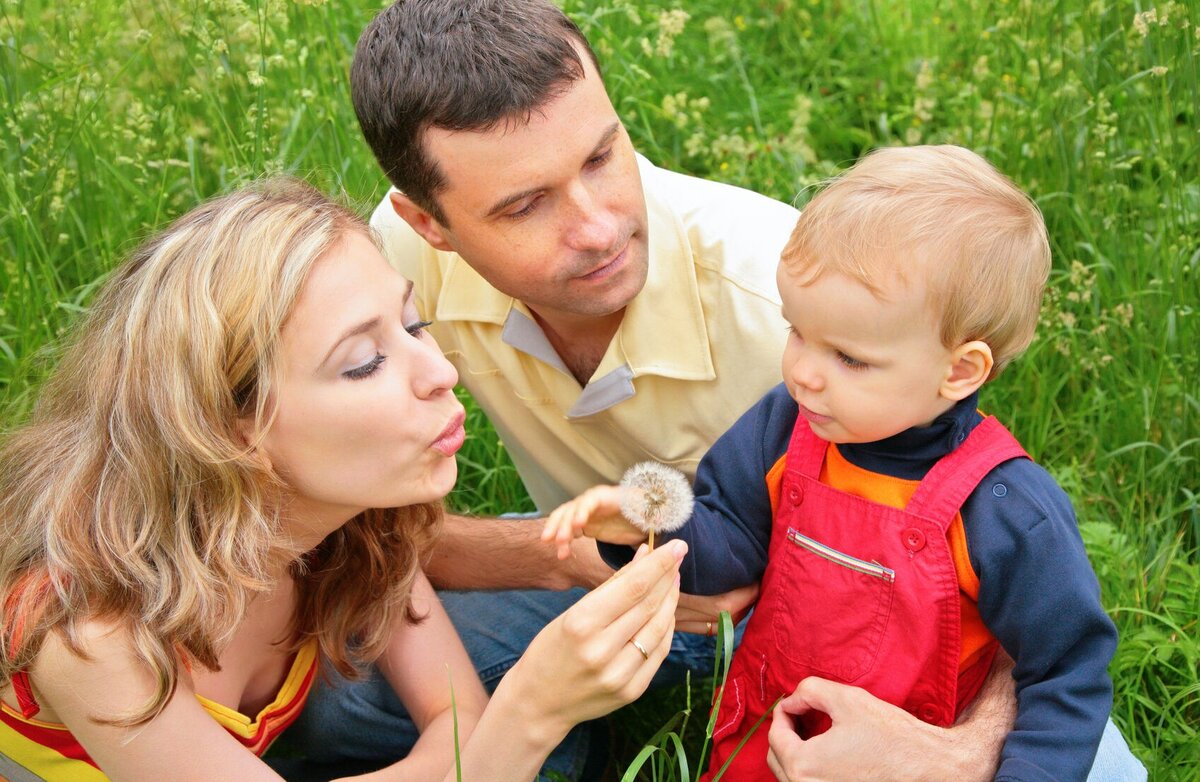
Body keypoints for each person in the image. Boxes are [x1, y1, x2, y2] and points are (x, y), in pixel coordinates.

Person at [316, 1, 1146, 779]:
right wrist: (580, 548)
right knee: (336, 703)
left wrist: (957, 759)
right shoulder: (395, 262)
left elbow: (1040, 617)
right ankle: (560, 733)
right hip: (645, 564)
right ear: (432, 224)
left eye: (604, 157)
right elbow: (303, 481)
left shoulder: (807, 297)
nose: (600, 227)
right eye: (527, 205)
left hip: (873, 625)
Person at [0, 178, 686, 781]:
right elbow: (474, 744)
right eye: (363, 362)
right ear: (231, 434)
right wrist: (535, 709)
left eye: (412, 324)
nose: (440, 373)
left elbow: (459, 723)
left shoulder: (350, 515)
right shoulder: (93, 630)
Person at [543, 145, 1120, 780]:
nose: (802, 373)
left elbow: (1065, 671)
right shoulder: (784, 431)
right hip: (765, 744)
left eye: (848, 357)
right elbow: (729, 544)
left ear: (959, 370)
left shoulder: (1004, 510)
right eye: (796, 331)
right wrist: (649, 526)